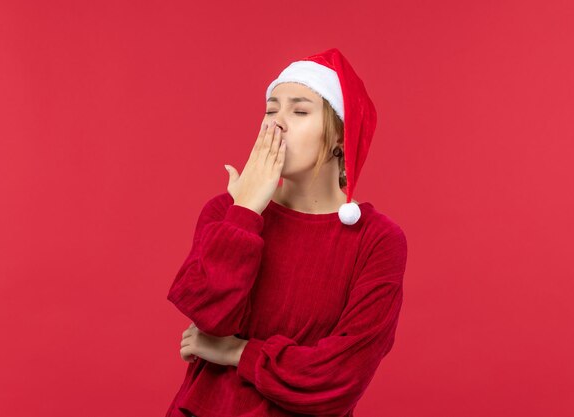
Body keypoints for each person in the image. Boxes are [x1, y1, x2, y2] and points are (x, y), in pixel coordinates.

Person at [165, 48, 408, 417]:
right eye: (270, 109)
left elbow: (337, 380)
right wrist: (245, 212)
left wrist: (234, 352)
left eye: (299, 110)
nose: (276, 124)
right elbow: (211, 318)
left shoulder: (377, 240)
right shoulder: (227, 212)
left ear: (342, 138)